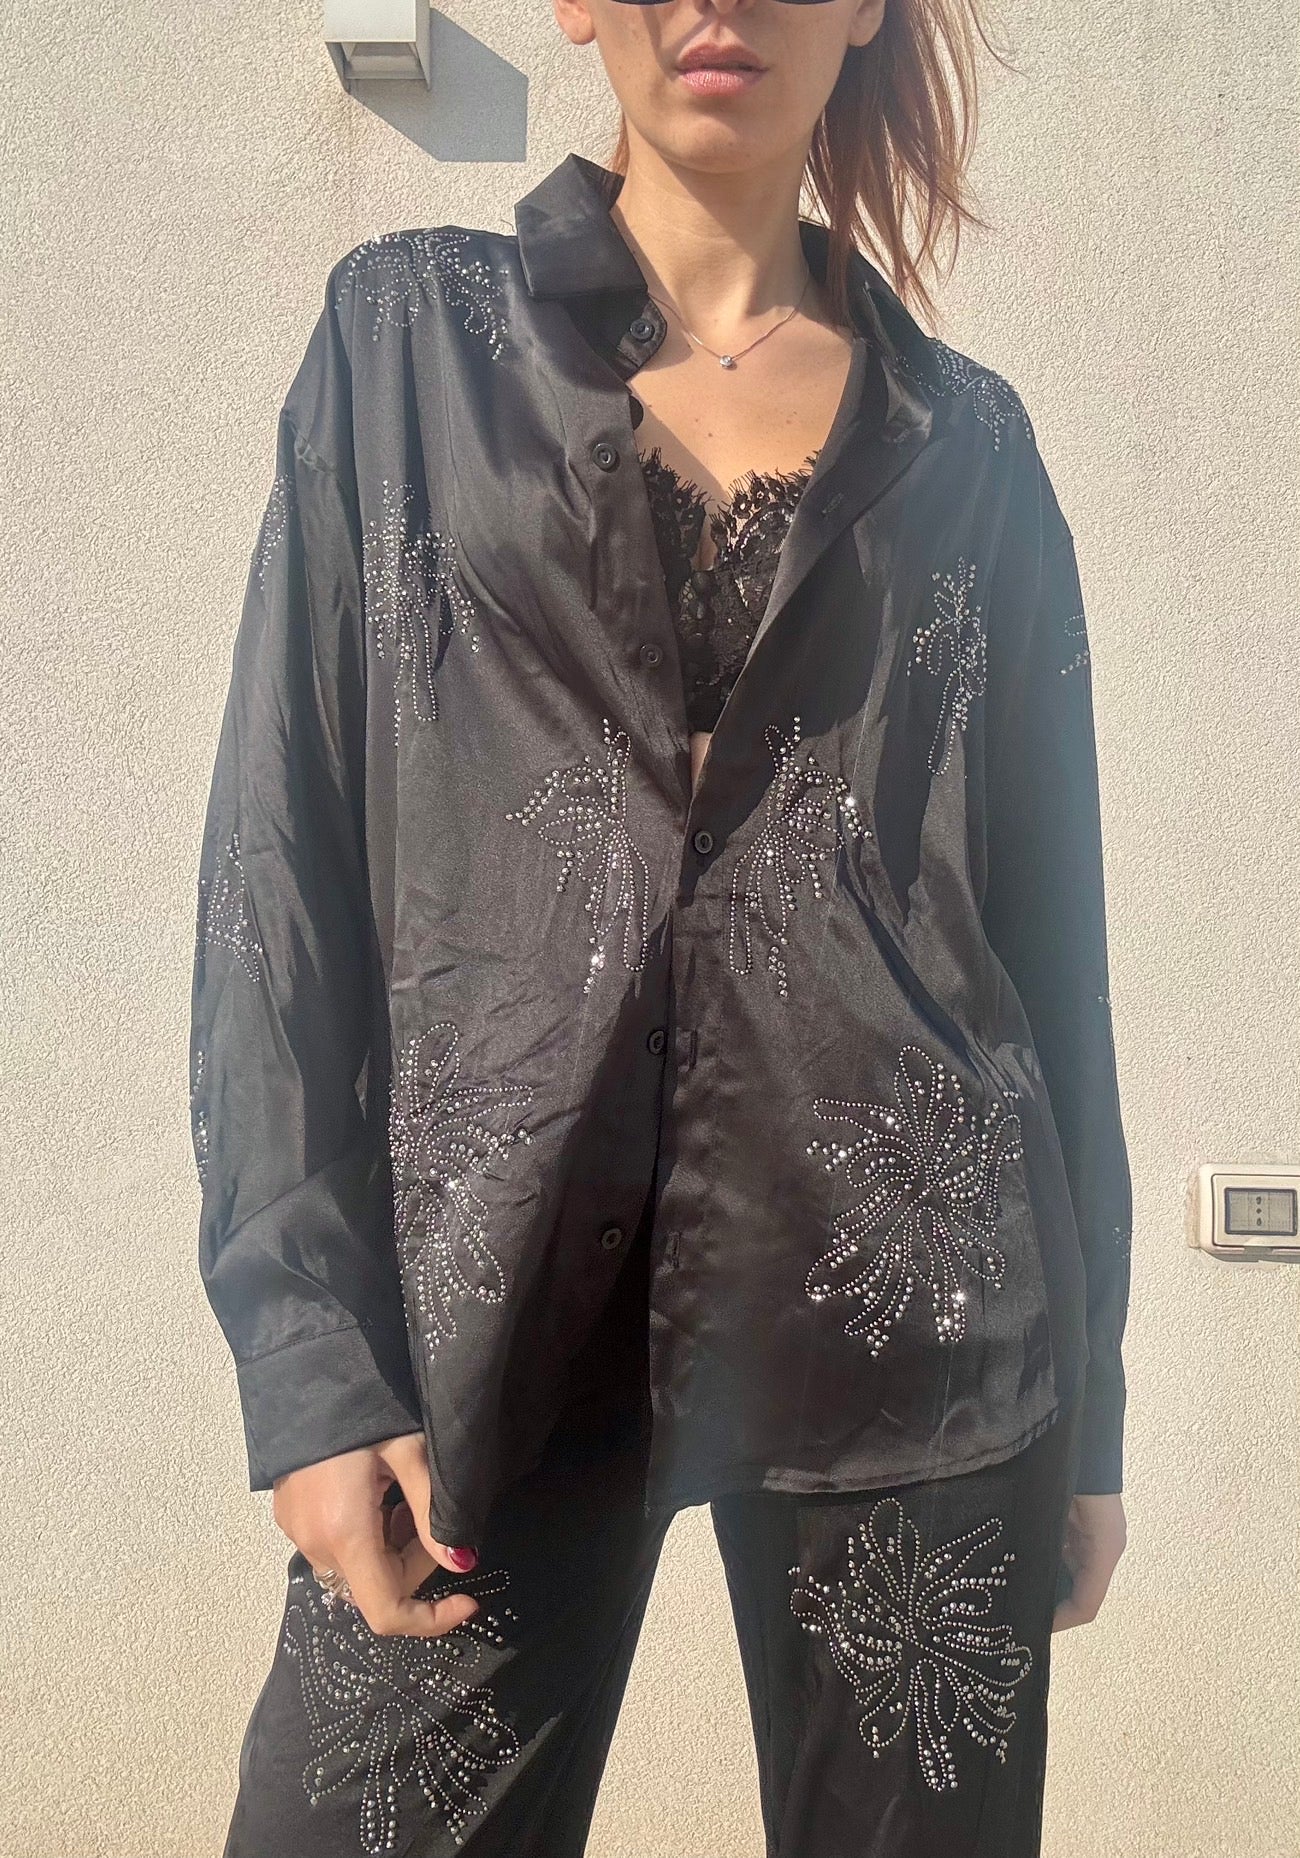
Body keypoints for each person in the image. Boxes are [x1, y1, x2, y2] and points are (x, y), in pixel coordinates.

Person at [189, 1, 1133, 1852]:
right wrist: (309, 1359)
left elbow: (1053, 951)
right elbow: (275, 863)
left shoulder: (968, 448)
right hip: (493, 1313)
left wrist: (1086, 1409)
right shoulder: (403, 346)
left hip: (919, 1335)